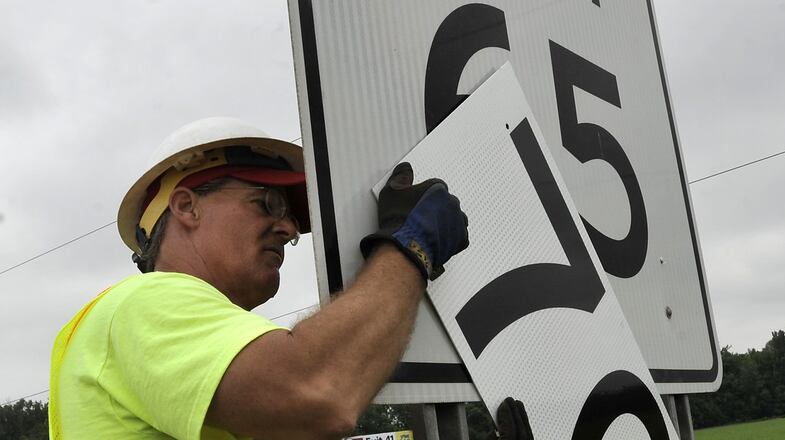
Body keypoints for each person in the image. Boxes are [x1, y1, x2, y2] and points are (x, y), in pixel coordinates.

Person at [48, 117, 470, 439]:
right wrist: (410, 250)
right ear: (186, 207)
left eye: (289, 216)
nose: (288, 230)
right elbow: (319, 391)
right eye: (267, 202)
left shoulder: (140, 336)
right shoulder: (147, 302)